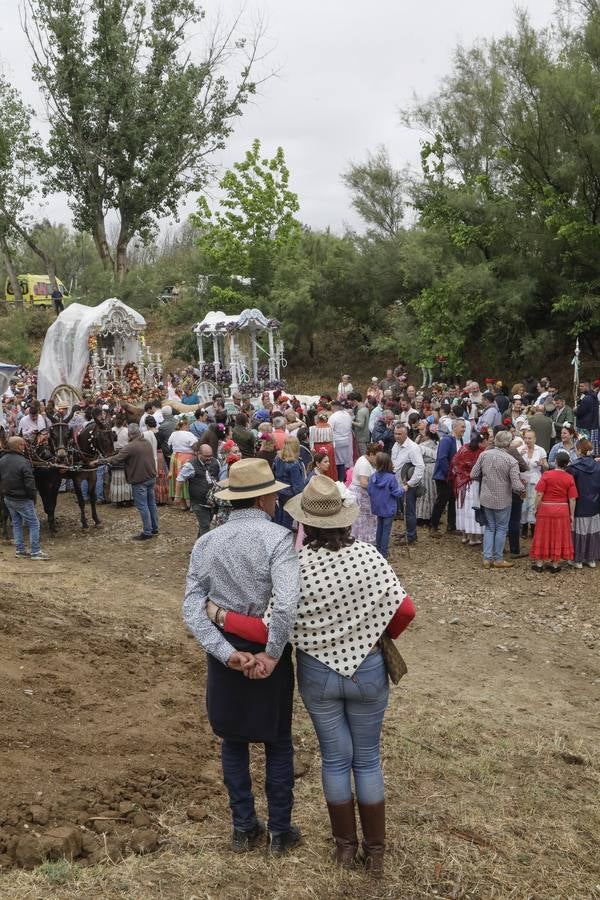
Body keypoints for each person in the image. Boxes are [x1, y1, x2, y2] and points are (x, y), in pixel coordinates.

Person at [207, 475, 415, 875]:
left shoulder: (297, 563)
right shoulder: (370, 557)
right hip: (368, 669)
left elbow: (271, 629)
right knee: (368, 760)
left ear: (307, 523)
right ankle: (375, 852)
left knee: (336, 761)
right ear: (347, 520)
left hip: (318, 674)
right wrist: (373, 633)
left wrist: (219, 614)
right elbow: (405, 611)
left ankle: (344, 848)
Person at [182, 458, 302, 856]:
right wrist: (271, 654)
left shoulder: (206, 542)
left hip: (226, 654)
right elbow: (285, 607)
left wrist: (225, 653)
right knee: (278, 741)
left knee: (232, 742)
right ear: (267, 497)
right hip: (268, 651)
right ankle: (280, 832)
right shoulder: (279, 539)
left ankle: (243, 827)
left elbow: (191, 608)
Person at [470, 430, 524, 569]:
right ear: (508, 443)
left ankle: (487, 558)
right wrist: (522, 491)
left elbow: (473, 474)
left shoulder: (484, 454)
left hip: (486, 496)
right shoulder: (511, 461)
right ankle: (498, 559)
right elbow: (517, 484)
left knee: (489, 527)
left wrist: (486, 479)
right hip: (503, 498)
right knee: (501, 528)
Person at [103, 424, 158, 540]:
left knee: (143, 506)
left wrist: (100, 461)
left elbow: (116, 459)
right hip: (151, 478)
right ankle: (154, 528)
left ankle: (147, 532)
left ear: (130, 434)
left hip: (140, 480)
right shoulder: (146, 443)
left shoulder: (131, 446)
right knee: (151, 504)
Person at [0, 435, 49, 559]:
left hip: (8, 498)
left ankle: (20, 551)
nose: (25, 447)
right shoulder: (24, 462)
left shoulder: (2, 459)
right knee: (34, 523)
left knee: (16, 523)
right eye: (23, 444)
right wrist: (33, 497)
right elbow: (30, 483)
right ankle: (35, 552)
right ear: (19, 446)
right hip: (22, 499)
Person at [529, 451, 578, 573]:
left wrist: (536, 508)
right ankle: (555, 565)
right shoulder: (569, 477)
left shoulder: (546, 475)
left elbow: (539, 494)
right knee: (558, 535)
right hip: (562, 510)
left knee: (542, 534)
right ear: (567, 464)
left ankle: (540, 564)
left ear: (555, 462)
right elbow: (572, 499)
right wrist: (571, 514)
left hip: (546, 508)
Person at [450, 431, 488, 546]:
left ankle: (464, 535)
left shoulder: (463, 448)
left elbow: (454, 463)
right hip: (473, 483)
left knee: (462, 509)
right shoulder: (481, 452)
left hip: (461, 483)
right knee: (473, 509)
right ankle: (473, 537)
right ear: (481, 442)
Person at [430, 418, 466, 537]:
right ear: (454, 427)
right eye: (462, 427)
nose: (464, 430)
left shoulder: (460, 440)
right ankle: (433, 526)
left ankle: (451, 526)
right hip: (443, 477)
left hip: (455, 476)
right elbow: (442, 458)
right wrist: (449, 474)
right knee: (441, 501)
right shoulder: (446, 440)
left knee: (452, 501)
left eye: (465, 427)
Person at [568, 438, 600, 568]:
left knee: (579, 531)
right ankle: (591, 559)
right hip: (595, 503)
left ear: (579, 450)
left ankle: (578, 559)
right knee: (592, 531)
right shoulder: (597, 466)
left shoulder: (573, 467)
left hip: (580, 503)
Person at [177, 443, 220, 537]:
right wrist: (177, 496)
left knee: (205, 525)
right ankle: (204, 550)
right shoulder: (190, 465)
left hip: (213, 501)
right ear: (198, 454)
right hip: (198, 502)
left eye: (210, 455)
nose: (209, 458)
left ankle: (197, 548)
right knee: (205, 525)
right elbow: (180, 479)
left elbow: (220, 478)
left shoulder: (216, 462)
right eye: (206, 456)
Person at [391, 424, 424, 545]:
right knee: (403, 511)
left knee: (409, 511)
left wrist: (409, 484)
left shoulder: (413, 448)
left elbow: (420, 467)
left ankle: (411, 536)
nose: (397, 436)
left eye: (399, 434)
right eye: (395, 433)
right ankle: (409, 533)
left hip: (407, 485)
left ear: (406, 434)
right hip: (397, 483)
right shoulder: (395, 445)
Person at [368, 452, 405, 558]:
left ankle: (377, 550)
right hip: (389, 508)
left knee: (379, 527)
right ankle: (383, 553)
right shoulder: (390, 478)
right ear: (388, 463)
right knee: (386, 531)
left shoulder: (373, 477)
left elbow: (369, 491)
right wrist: (404, 489)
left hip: (377, 507)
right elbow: (396, 493)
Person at [348, 441, 379, 544]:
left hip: (363, 494)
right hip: (360, 495)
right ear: (371, 454)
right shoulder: (364, 464)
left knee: (367, 519)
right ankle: (363, 541)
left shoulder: (366, 460)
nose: (377, 460)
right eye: (377, 457)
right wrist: (377, 487)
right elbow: (363, 483)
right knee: (363, 520)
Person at [519, 429, 548, 538]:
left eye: (529, 438)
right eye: (525, 438)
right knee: (523, 504)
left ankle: (534, 527)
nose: (527, 440)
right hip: (523, 481)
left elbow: (547, 466)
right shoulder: (519, 449)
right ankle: (524, 528)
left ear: (535, 439)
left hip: (535, 481)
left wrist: (542, 464)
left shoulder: (540, 450)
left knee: (533, 504)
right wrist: (519, 456)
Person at [273, 436, 305, 530]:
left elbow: (274, 472)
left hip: (280, 490)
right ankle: (285, 536)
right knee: (287, 518)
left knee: (281, 515)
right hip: (290, 494)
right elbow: (297, 485)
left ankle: (278, 533)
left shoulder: (278, 458)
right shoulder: (294, 463)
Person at [168, 418, 197, 509]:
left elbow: (169, 445)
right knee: (188, 480)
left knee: (178, 479)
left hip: (175, 458)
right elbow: (195, 446)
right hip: (186, 458)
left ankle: (183, 504)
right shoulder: (189, 434)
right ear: (185, 425)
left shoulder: (173, 434)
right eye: (188, 425)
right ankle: (192, 504)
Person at [414, 421, 438, 525]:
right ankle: (430, 516)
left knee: (423, 492)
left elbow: (415, 455)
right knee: (431, 492)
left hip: (424, 469)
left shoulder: (421, 445)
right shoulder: (437, 443)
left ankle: (421, 516)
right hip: (433, 469)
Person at [110, 413, 133, 505]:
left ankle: (118, 499)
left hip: (115, 454)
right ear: (124, 421)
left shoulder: (111, 431)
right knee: (126, 477)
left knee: (116, 477)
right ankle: (127, 499)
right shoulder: (127, 431)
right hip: (126, 454)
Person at [328, 401, 354, 482]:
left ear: (333, 407)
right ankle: (344, 479)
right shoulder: (347, 415)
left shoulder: (333, 417)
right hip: (347, 441)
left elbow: (329, 430)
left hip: (337, 441)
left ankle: (340, 480)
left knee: (338, 462)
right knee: (344, 461)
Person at [308, 412, 337, 480]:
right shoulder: (330, 427)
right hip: (329, 447)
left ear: (317, 420)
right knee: (329, 464)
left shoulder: (312, 428)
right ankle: (331, 479)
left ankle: (320, 479)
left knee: (319, 463)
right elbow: (333, 440)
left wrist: (312, 448)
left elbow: (311, 440)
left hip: (317, 447)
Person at [575, 380, 600, 454]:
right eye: (579, 386)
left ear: (587, 386)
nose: (580, 388)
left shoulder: (587, 398)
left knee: (583, 449)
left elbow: (580, 412)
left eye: (582, 386)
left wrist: (575, 410)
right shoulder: (594, 397)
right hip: (592, 426)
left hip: (584, 428)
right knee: (591, 450)